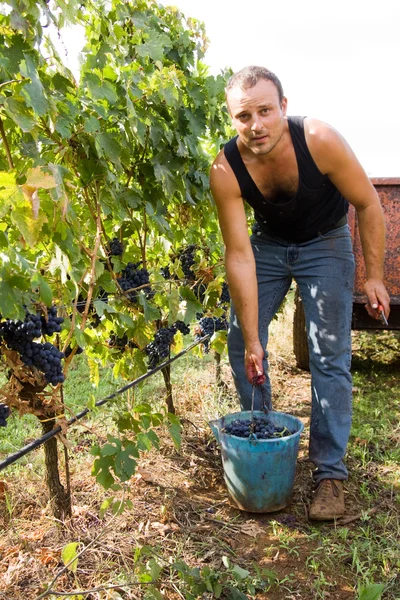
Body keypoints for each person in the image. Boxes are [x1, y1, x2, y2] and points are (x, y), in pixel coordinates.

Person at [210, 65, 390, 520]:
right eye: (243, 115)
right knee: (239, 343)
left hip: (327, 242)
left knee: (328, 354)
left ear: (283, 107)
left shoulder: (319, 140)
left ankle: (330, 476)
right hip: (267, 246)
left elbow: (368, 202)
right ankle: (267, 441)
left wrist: (374, 276)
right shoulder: (226, 169)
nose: (256, 125)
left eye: (265, 111)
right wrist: (254, 337)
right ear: (232, 119)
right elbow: (238, 254)